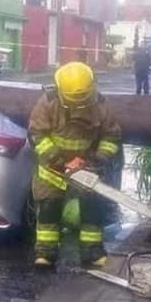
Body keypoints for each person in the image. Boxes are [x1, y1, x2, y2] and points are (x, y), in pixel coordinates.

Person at [28, 62, 122, 268]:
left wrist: (97, 160)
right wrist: (60, 162)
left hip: (87, 168)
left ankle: (92, 252)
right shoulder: (47, 103)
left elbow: (111, 136)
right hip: (52, 170)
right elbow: (37, 135)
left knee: (92, 210)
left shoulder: (101, 105)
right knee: (48, 211)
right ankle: (45, 254)